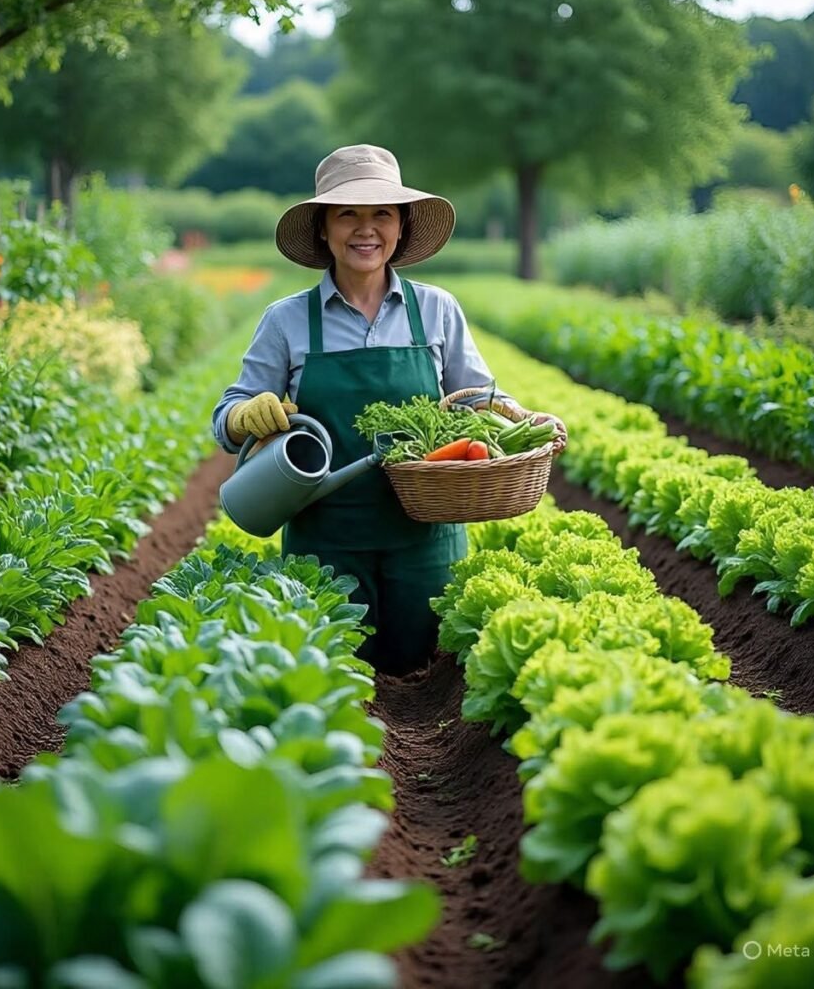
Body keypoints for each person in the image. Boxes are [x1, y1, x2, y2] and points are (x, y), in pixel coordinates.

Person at [212, 144, 566, 676]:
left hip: (425, 541)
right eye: (347, 214)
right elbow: (226, 418)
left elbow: (477, 396)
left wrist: (523, 419)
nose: (366, 229)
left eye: (382, 213)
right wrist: (244, 416)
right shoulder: (287, 320)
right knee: (334, 681)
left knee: (425, 675)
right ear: (323, 229)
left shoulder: (436, 309)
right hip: (325, 540)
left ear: (401, 227)